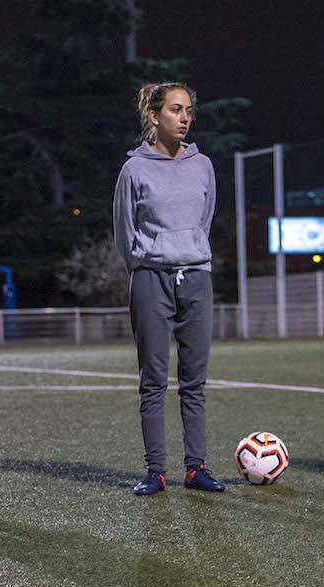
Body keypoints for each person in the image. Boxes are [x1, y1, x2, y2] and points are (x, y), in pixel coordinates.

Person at [113, 81, 223, 496]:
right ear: (154, 116)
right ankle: (155, 471)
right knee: (153, 379)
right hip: (150, 279)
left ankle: (195, 468)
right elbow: (125, 234)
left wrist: (189, 252)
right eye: (176, 110)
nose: (185, 118)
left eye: (189, 110)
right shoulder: (133, 170)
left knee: (194, 381)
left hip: (196, 277)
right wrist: (149, 263)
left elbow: (204, 221)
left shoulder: (203, 165)